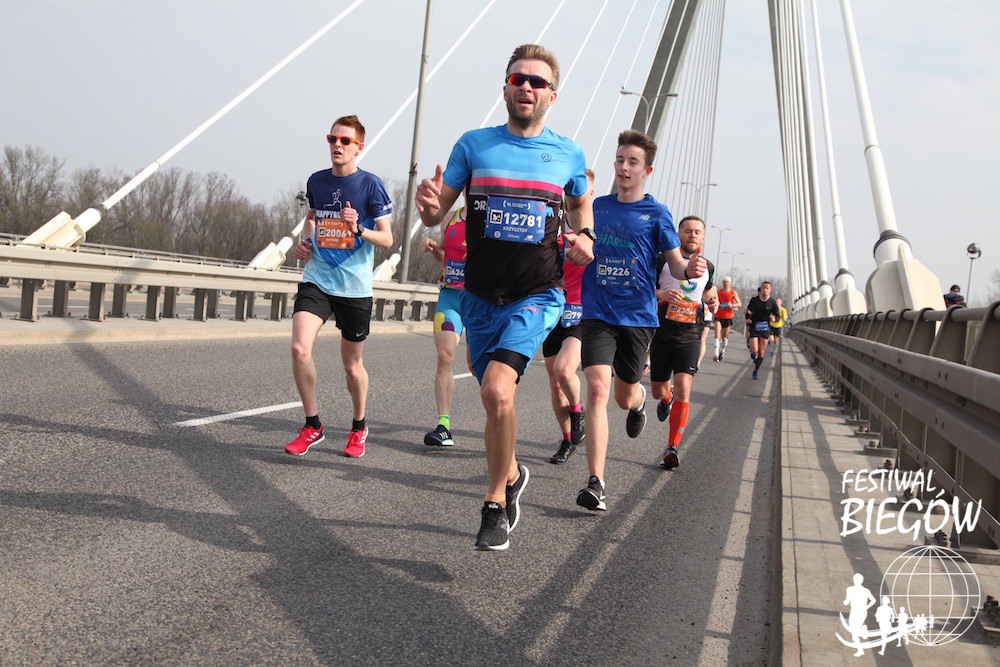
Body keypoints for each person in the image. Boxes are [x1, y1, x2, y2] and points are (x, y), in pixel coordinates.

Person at [415, 44, 595, 551]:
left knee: (498, 390)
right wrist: (427, 208)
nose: (527, 87)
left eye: (537, 82)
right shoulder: (474, 145)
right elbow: (437, 213)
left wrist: (587, 237)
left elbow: (581, 202)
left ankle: (494, 503)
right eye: (519, 79)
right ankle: (513, 474)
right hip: (477, 296)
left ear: (552, 96)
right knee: (492, 397)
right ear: (505, 88)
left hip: (537, 293)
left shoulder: (568, 153)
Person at [576, 130, 707, 512]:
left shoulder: (657, 214)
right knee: (597, 389)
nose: (624, 167)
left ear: (646, 170)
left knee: (623, 395)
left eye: (632, 162)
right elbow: (574, 234)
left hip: (637, 318)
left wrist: (690, 270)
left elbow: (677, 266)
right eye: (619, 160)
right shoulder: (596, 208)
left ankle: (637, 404)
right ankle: (596, 482)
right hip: (598, 312)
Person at [284, 115, 394, 458]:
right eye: (332, 139)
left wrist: (358, 228)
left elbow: (387, 239)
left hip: (354, 286)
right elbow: (312, 220)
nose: (337, 145)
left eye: (345, 141)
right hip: (317, 278)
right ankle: (312, 425)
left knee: (351, 366)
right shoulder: (316, 181)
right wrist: (305, 243)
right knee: (299, 349)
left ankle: (359, 426)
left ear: (359, 147)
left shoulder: (371, 185)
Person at [650, 215, 717, 470]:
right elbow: (644, 290)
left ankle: (672, 447)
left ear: (703, 237)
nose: (692, 235)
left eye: (697, 232)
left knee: (684, 387)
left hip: (690, 334)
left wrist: (713, 301)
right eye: (688, 231)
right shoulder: (661, 260)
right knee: (658, 390)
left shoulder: (708, 266)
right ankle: (666, 398)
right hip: (661, 332)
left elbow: (709, 291)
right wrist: (663, 295)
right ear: (678, 234)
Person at [546, 169, 595, 465]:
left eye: (584, 190)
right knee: (554, 382)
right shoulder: (551, 222)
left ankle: (577, 410)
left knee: (564, 370)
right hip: (552, 308)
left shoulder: (596, 231)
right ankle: (566, 440)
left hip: (581, 312)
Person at [422, 204, 468, 447]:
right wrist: (434, 249)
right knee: (444, 355)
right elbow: (445, 256)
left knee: (479, 367)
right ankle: (444, 426)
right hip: (450, 298)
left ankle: (497, 423)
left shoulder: (493, 219)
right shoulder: (450, 218)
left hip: (479, 301)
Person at [745, 281, 779, 380]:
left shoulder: (772, 302)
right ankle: (753, 354)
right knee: (754, 350)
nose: (765, 290)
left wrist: (774, 319)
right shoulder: (754, 300)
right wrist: (748, 318)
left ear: (770, 290)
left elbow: (777, 315)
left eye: (767, 288)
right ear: (761, 288)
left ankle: (756, 370)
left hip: (765, 328)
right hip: (755, 326)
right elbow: (748, 311)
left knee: (761, 352)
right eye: (763, 288)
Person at [843, 573, 877, 657]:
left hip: (856, 610)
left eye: (857, 579)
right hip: (859, 611)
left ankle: (860, 648)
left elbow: (873, 600)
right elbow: (847, 600)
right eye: (855, 579)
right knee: (854, 631)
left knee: (854, 632)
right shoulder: (861, 590)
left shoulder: (851, 589)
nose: (856, 581)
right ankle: (863, 630)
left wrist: (866, 607)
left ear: (861, 580)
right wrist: (866, 607)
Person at [712, 276, 741, 361]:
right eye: (724, 282)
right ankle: (716, 354)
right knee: (717, 334)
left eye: (727, 282)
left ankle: (722, 350)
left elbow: (739, 303)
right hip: (718, 316)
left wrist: (732, 305)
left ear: (730, 283)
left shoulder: (733, 293)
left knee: (724, 337)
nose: (726, 284)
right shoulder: (719, 292)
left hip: (727, 317)